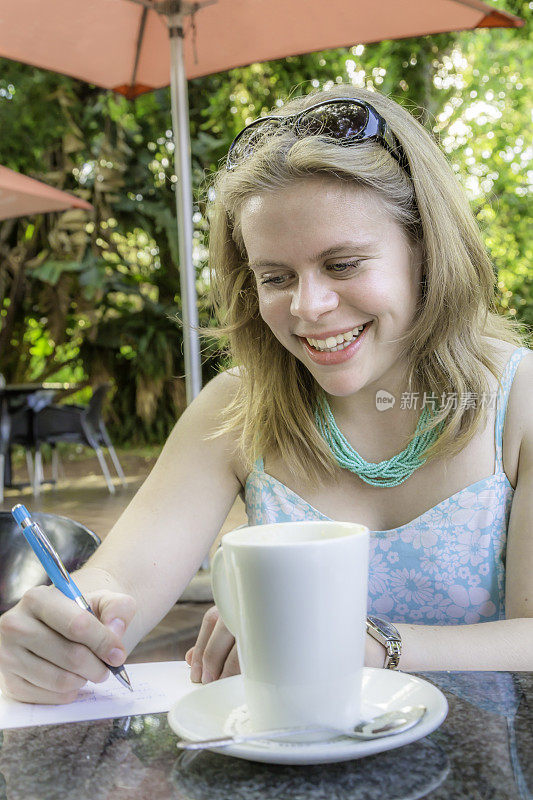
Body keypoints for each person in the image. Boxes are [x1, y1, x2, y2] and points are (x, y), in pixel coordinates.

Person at [0, 86, 531, 705]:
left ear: (426, 253)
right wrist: (56, 637)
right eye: (275, 277)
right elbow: (116, 583)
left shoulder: (517, 399)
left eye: (344, 264)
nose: (308, 308)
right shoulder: (236, 407)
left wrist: (367, 643)